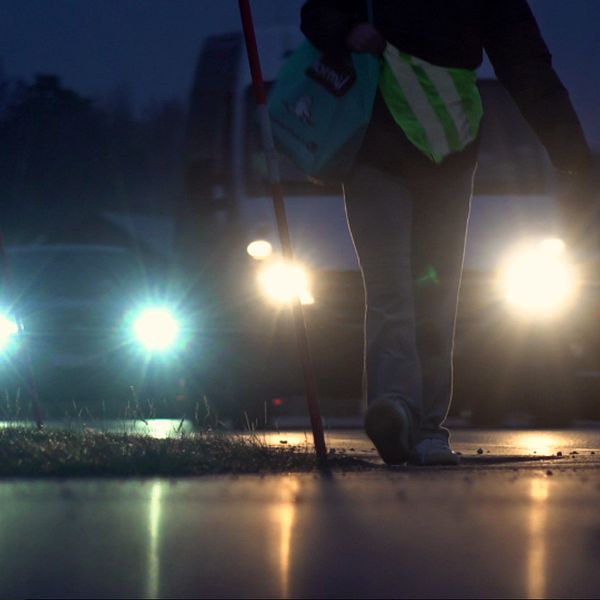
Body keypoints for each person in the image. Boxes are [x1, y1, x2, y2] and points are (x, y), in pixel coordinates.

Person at [300, 0, 594, 465]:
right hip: (373, 149)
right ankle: (397, 410)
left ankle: (425, 426)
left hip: (449, 150)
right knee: (392, 292)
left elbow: (525, 62)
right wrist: (347, 28)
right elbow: (318, 11)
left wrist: (573, 152)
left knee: (434, 298)